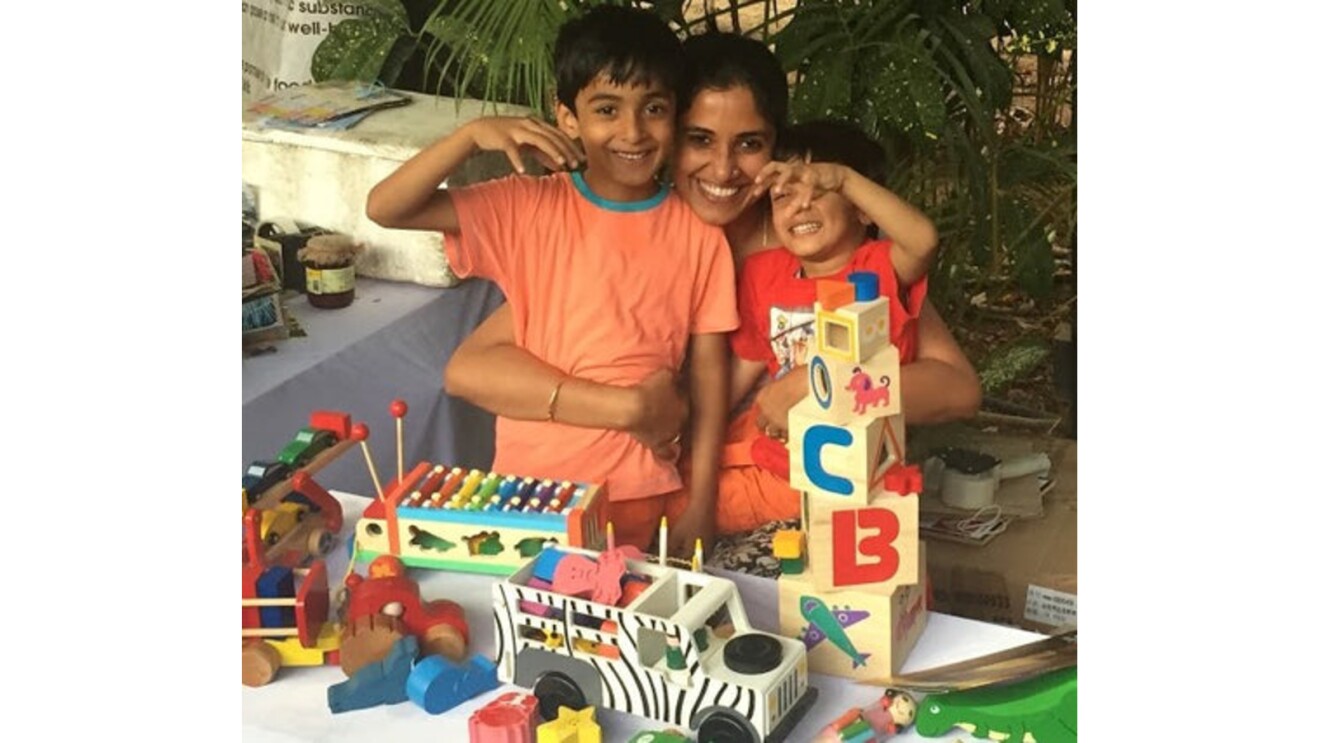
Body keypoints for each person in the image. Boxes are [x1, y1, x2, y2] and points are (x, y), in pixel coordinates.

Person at [445, 31, 982, 552]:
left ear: (777, 150)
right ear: (665, 134)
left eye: (750, 144)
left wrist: (820, 383)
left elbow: (956, 388)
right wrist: (628, 407)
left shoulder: (818, 245)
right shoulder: (648, 244)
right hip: (664, 495)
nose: (723, 169)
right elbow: (472, 368)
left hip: (812, 493)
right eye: (698, 139)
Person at [364, 5, 739, 552]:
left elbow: (708, 379)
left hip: (636, 490)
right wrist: (470, 137)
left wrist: (701, 501)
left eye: (654, 109)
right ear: (566, 117)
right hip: (529, 489)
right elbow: (386, 207)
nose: (633, 131)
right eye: (606, 109)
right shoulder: (526, 206)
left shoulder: (698, 232)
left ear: (675, 114)